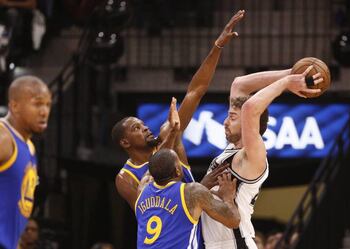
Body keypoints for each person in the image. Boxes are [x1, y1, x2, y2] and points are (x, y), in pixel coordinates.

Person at [111, 10, 245, 210]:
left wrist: (218, 46)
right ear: (125, 142)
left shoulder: (170, 133)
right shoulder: (125, 178)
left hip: (198, 232)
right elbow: (147, 213)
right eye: (136, 128)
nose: (146, 127)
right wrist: (201, 187)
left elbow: (195, 91)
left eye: (143, 124)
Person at [201, 66, 323, 248]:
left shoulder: (253, 156)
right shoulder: (231, 150)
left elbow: (250, 108)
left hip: (237, 243)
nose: (225, 122)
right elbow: (239, 84)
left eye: (232, 117)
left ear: (247, 122)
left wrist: (286, 84)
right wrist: (292, 73)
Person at [135, 148, 240, 249]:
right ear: (177, 171)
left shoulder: (142, 190)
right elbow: (233, 221)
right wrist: (228, 198)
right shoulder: (193, 191)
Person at [0, 76, 52, 249]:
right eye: (37, 104)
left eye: (48, 105)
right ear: (14, 106)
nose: (44, 111)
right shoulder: (3, 138)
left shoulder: (28, 145)